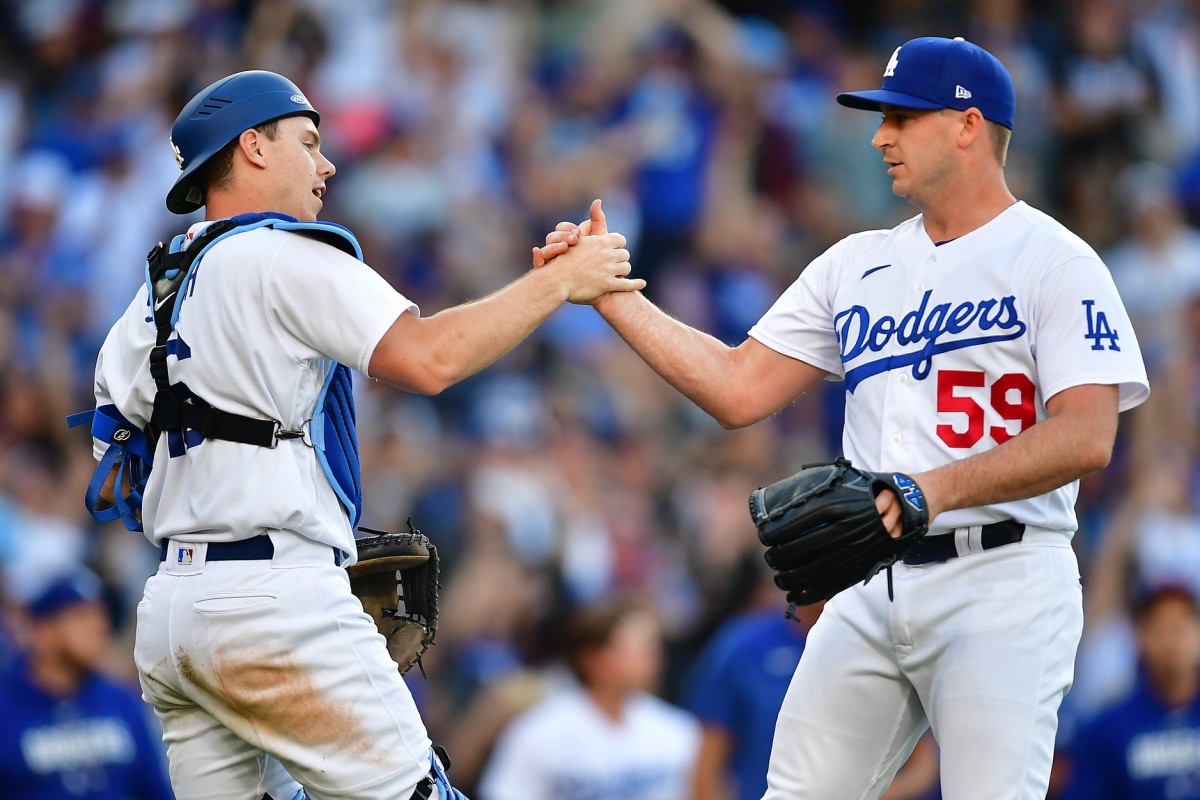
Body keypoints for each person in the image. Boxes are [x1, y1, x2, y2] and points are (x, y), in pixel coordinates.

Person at [538, 36, 1150, 798]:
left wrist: (935, 487)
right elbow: (738, 387)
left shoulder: (1054, 261)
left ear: (966, 125)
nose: (878, 137)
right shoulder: (856, 263)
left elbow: (1089, 435)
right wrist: (611, 296)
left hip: (1004, 580)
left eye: (900, 118)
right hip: (872, 579)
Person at [84, 70, 640, 800]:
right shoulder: (282, 254)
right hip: (274, 595)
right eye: (308, 143)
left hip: (171, 615)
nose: (327, 164)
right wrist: (559, 283)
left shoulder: (152, 296)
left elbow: (114, 463)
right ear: (252, 147)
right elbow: (430, 359)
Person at [477, 599, 700, 800]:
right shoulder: (537, 732)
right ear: (594, 657)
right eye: (641, 648)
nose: (656, 658)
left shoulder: (677, 730)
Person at [0, 569, 174, 799]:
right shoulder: (7, 708)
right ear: (42, 631)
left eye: (100, 616)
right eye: (81, 617)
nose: (98, 627)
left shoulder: (121, 700)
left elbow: (154, 789)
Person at [1060, 582, 1200, 799]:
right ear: (1140, 638)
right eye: (1160, 628)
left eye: (1180, 627)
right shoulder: (1107, 727)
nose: (1172, 641)